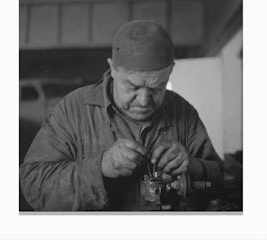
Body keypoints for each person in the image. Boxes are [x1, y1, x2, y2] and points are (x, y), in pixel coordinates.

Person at [20, 20, 224, 211]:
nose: (144, 101)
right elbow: (32, 184)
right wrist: (101, 167)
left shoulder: (183, 112)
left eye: (157, 88)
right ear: (113, 69)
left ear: (170, 71)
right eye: (132, 86)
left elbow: (222, 179)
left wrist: (192, 166)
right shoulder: (73, 110)